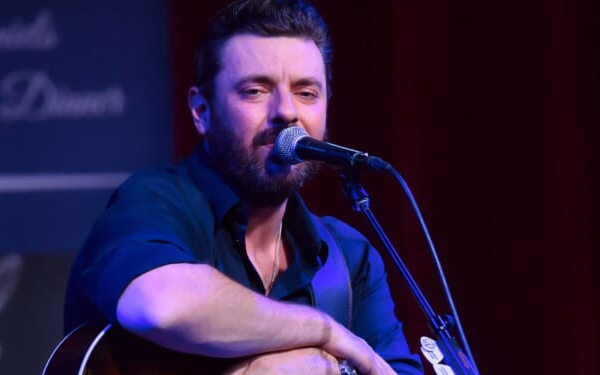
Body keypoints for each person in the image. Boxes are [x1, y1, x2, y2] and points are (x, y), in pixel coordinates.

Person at [63, 0, 423, 373]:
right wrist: (323, 331)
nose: (286, 111)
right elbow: (160, 305)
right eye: (256, 90)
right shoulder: (153, 202)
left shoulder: (349, 260)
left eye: (306, 92)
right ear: (202, 111)